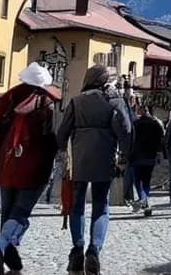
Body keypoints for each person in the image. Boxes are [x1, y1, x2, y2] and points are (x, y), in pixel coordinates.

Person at [0, 63, 62, 275]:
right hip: (34, 166)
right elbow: (52, 139)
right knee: (21, 212)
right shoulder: (45, 103)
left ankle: (8, 261)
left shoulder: (7, 98)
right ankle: (0, 244)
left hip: (5, 164)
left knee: (8, 211)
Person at [55, 64, 130, 275]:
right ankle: (94, 250)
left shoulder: (76, 102)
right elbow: (124, 130)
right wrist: (124, 154)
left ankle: (77, 249)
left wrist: (64, 152)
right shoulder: (114, 101)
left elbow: (61, 134)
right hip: (104, 158)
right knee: (100, 205)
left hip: (79, 159)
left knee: (77, 206)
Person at [130, 103, 165, 216]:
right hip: (150, 155)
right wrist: (159, 153)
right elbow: (160, 140)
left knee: (137, 180)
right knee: (146, 180)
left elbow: (130, 139)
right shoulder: (155, 123)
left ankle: (143, 199)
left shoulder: (135, 124)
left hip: (136, 156)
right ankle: (144, 199)